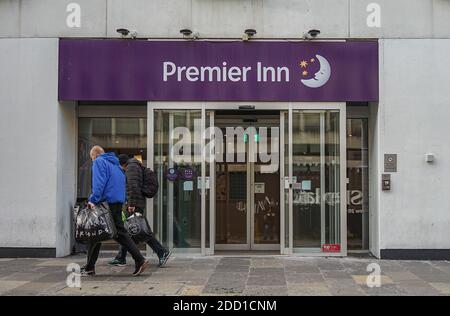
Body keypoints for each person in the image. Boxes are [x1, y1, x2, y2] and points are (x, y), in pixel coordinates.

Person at [81, 146, 149, 277]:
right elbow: (123, 184)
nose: (92, 161)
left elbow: (99, 183)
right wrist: (124, 200)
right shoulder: (116, 165)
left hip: (106, 203)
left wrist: (93, 200)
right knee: (100, 234)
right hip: (117, 202)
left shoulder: (99, 162)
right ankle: (90, 266)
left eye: (92, 159)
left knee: (106, 233)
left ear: (95, 155)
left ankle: (140, 259)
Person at [108, 154, 172, 267]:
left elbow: (133, 186)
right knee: (127, 230)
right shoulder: (133, 165)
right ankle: (121, 257)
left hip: (134, 204)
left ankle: (162, 252)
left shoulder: (131, 167)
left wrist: (131, 204)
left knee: (140, 230)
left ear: (121, 164)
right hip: (134, 203)